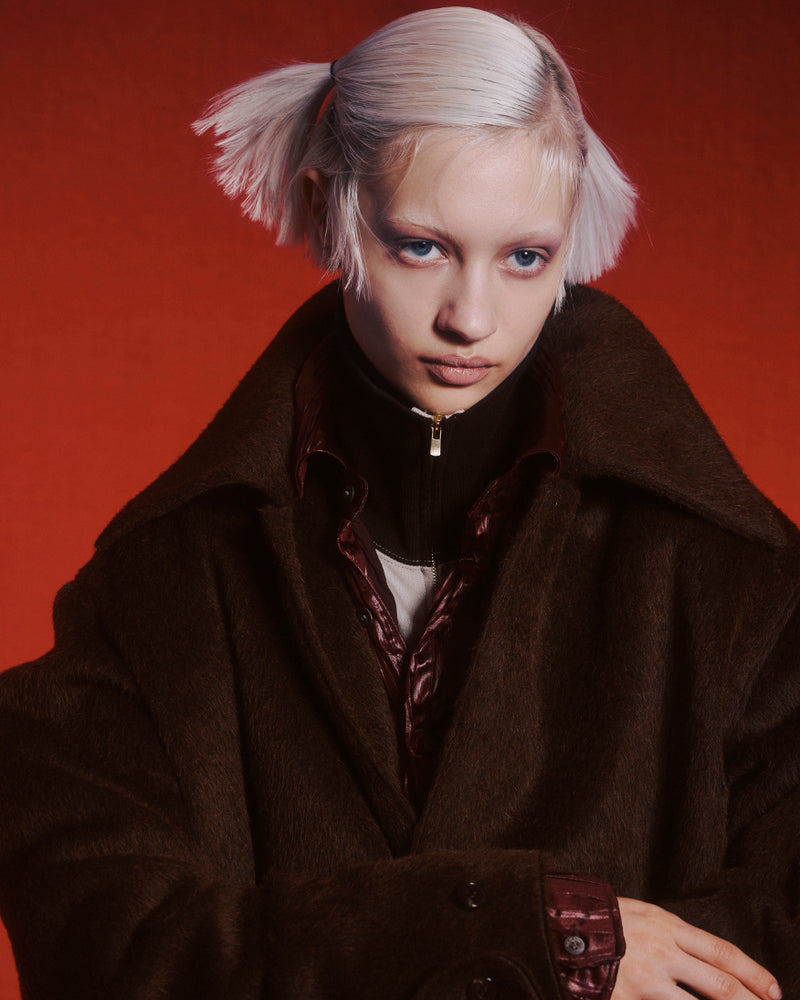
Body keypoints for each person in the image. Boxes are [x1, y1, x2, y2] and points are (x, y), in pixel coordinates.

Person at [1, 7, 798, 999]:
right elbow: (109, 949)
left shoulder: (729, 577)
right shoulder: (158, 590)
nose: (472, 317)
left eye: (525, 257)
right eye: (421, 246)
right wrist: (537, 935)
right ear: (328, 207)